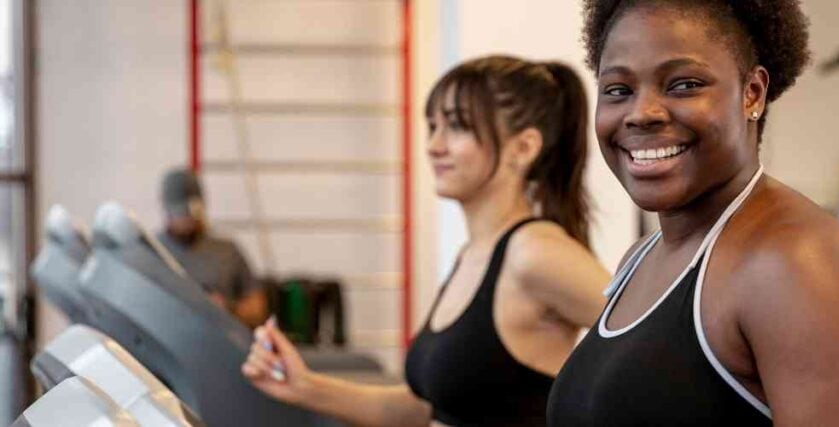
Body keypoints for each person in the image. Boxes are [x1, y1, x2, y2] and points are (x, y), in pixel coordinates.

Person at [546, 1, 839, 425]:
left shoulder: (799, 265)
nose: (642, 113)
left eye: (683, 84)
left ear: (752, 92)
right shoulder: (641, 258)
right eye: (618, 90)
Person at [242, 56, 611, 426]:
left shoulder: (535, 253)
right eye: (432, 126)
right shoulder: (473, 255)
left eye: (457, 126)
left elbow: (653, 349)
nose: (434, 145)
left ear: (524, 147)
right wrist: (304, 386)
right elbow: (425, 410)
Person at [158, 167, 268, 328]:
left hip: (220, 342)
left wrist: (228, 308)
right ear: (167, 210)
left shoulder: (227, 252)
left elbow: (258, 310)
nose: (188, 220)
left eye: (193, 212)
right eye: (182, 213)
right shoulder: (151, 253)